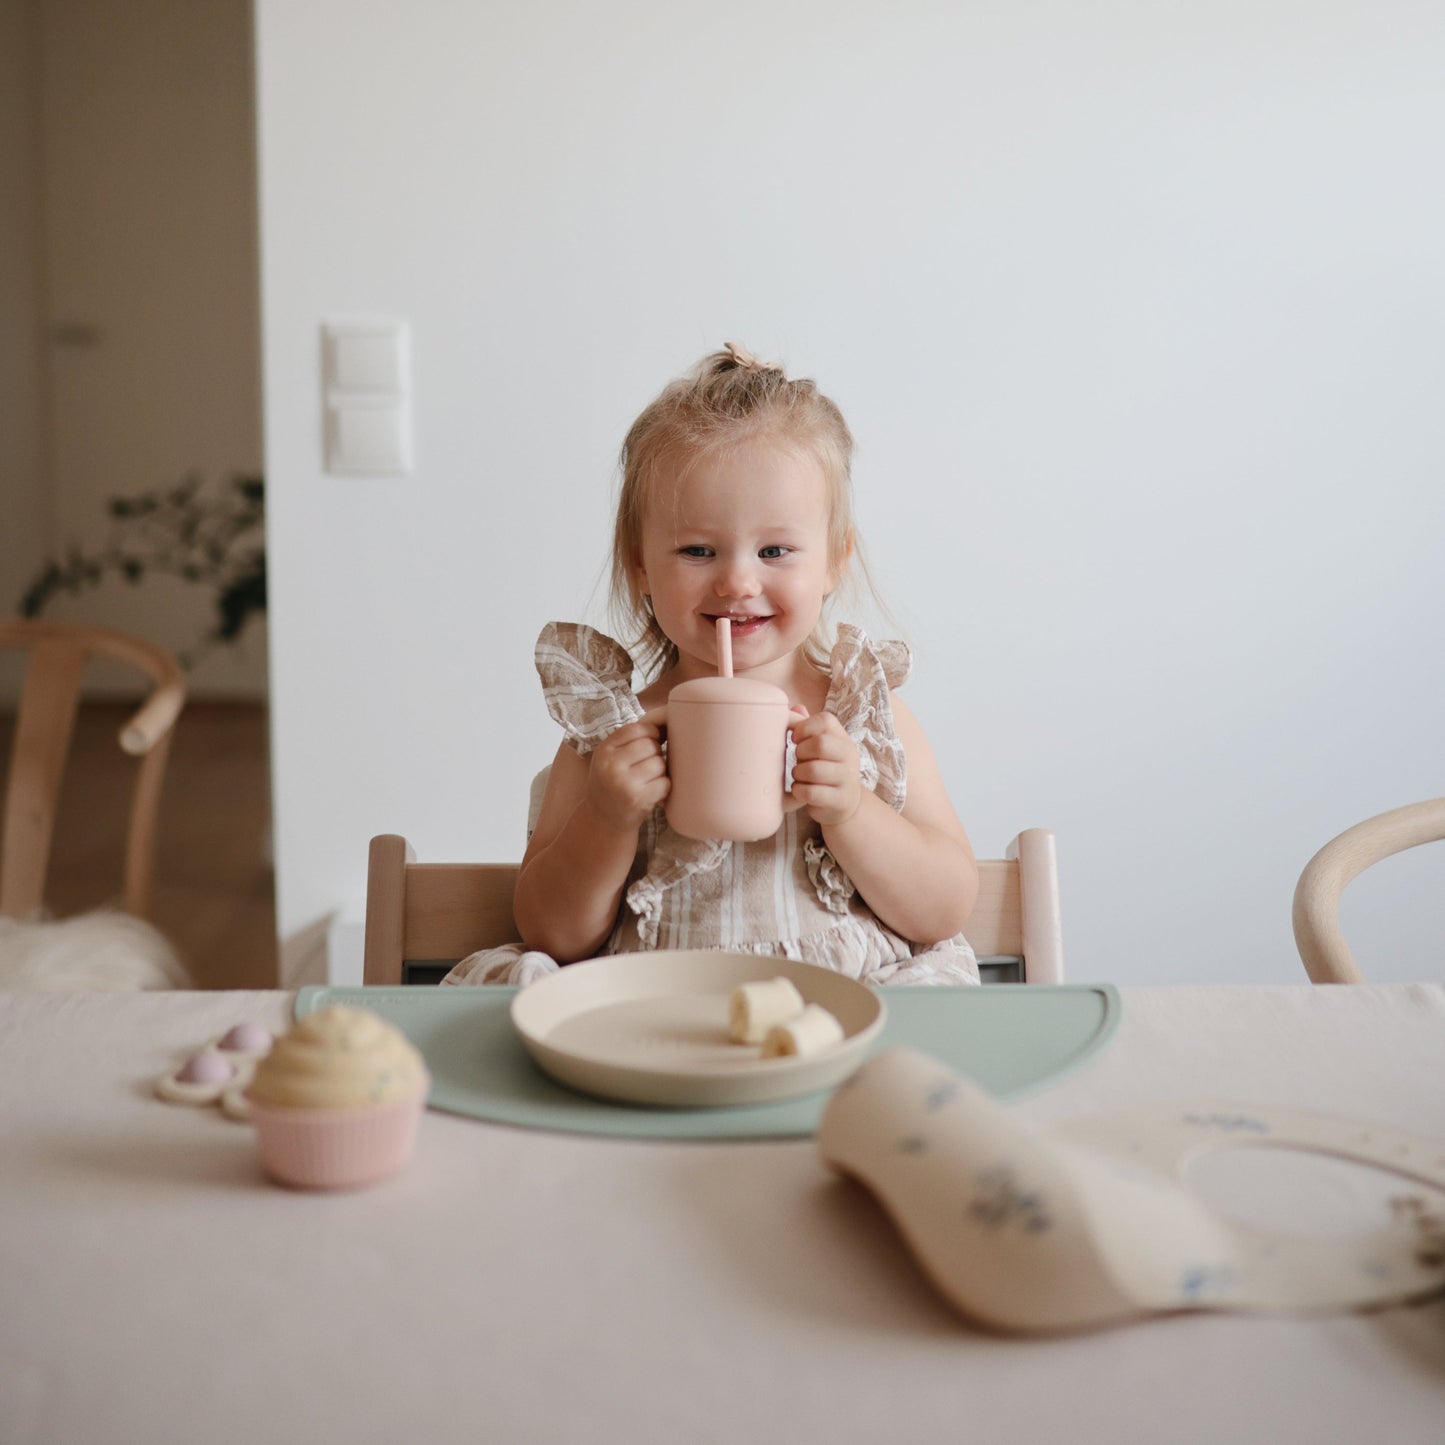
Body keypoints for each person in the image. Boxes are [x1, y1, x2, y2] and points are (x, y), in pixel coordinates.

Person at [443, 343, 980, 987]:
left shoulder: (864, 720)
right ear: (639, 563)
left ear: (836, 559)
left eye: (776, 550)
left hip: (833, 1021)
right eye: (698, 550)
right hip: (655, 1020)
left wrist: (852, 812)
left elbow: (945, 908)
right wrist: (607, 819)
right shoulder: (611, 736)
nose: (737, 581)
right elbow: (551, 934)